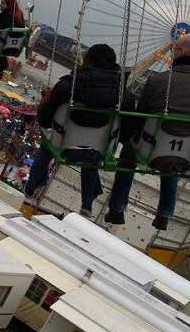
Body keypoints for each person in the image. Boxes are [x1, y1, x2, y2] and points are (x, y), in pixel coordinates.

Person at [104, 33, 190, 230]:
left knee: (128, 153)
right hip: (186, 157)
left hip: (151, 150)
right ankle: (164, 213)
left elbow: (140, 118)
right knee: (176, 159)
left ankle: (117, 207)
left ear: (182, 52)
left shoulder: (158, 81)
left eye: (174, 50)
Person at [24, 44, 135, 217]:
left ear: (88, 60)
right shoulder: (125, 97)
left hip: (63, 147)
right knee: (92, 152)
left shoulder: (68, 85)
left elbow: (44, 119)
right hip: (97, 152)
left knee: (48, 145)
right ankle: (87, 206)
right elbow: (127, 133)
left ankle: (30, 189)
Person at [0, 0, 25, 80]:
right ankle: (0, 70)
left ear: (8, 6)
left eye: (2, 3)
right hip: (14, 48)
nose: (0, 5)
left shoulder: (2, 16)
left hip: (2, 46)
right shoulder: (20, 17)